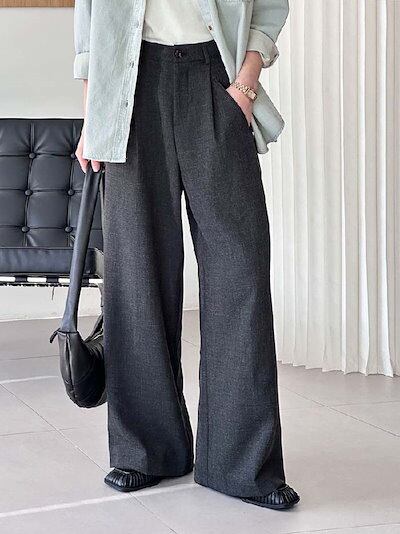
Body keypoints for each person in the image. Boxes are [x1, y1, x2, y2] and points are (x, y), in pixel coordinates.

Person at [74, 0, 299, 511]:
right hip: (127, 88)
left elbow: (269, 7)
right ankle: (145, 451)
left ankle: (243, 464)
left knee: (240, 271)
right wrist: (93, 115)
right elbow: (90, 27)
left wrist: (244, 86)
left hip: (215, 77)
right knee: (137, 275)